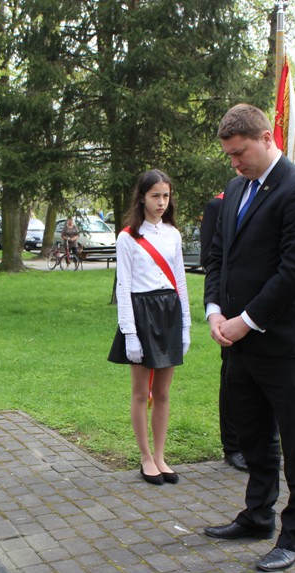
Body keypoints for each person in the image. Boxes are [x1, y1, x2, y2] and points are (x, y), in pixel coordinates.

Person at [201, 104, 295, 573]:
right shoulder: (236, 188)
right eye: (229, 156)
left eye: (241, 153)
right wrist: (215, 310)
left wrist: (246, 320)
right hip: (238, 340)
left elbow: (293, 271)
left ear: (267, 138)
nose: (235, 163)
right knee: (252, 436)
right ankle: (257, 516)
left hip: (283, 341)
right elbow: (218, 256)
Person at [107, 169, 190, 486]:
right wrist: (130, 333)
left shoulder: (173, 234)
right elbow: (124, 286)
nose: (161, 202)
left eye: (166, 196)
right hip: (141, 313)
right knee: (142, 392)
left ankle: (160, 455)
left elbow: (180, 281)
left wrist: (185, 326)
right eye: (155, 195)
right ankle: (145, 457)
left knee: (163, 392)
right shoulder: (127, 237)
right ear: (142, 197)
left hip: (169, 312)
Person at [199, 192, 246, 472]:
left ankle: (261, 443)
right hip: (232, 309)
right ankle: (233, 446)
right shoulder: (220, 203)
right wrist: (215, 307)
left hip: (272, 310)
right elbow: (211, 257)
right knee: (232, 380)